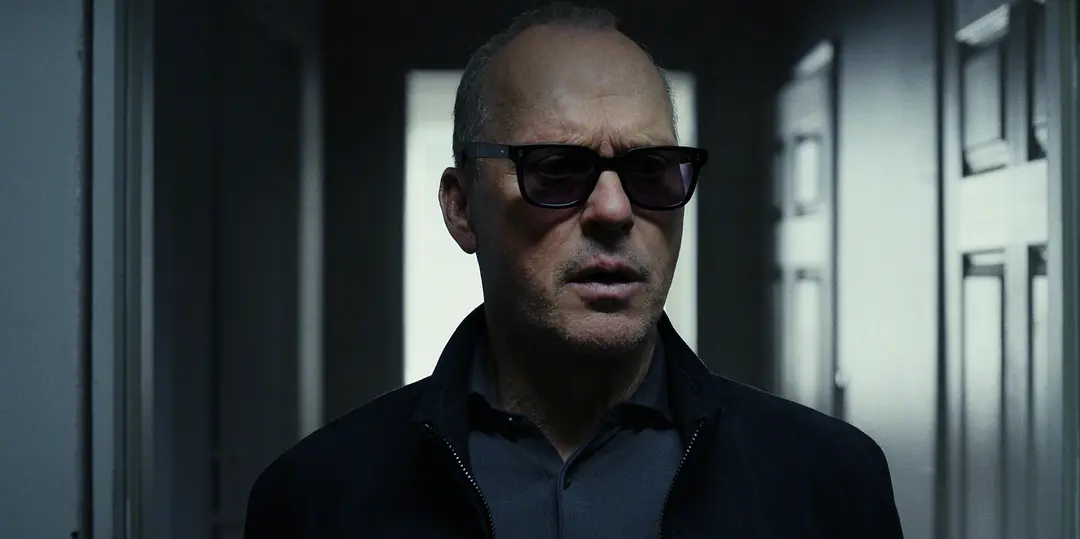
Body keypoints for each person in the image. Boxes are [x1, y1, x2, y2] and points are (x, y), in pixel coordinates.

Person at [244, 3, 904, 538]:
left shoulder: (830, 483)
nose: (614, 210)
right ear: (461, 207)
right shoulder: (315, 499)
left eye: (650, 168)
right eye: (556, 168)